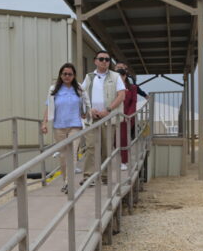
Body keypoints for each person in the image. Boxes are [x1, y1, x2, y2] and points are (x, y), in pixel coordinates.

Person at [40, 63, 89, 192]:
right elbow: (48, 107)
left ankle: (69, 183)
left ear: (74, 76)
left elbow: (85, 105)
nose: (67, 76)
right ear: (60, 75)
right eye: (64, 74)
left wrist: (85, 113)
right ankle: (65, 180)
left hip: (75, 126)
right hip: (59, 127)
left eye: (70, 74)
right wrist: (44, 123)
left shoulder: (79, 89)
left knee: (72, 154)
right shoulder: (53, 89)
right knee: (63, 156)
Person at [80, 51, 125, 182]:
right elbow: (81, 95)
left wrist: (108, 110)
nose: (104, 61)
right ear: (95, 61)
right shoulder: (89, 77)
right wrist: (89, 109)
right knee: (91, 147)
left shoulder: (116, 76)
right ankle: (88, 177)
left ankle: (105, 177)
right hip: (92, 118)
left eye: (107, 59)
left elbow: (121, 95)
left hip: (108, 118)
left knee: (106, 148)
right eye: (101, 59)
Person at [115, 62, 138, 168]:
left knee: (123, 138)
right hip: (114, 116)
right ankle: (116, 158)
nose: (120, 77)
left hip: (126, 117)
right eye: (118, 75)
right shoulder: (113, 87)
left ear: (125, 76)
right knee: (114, 139)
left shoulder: (132, 87)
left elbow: (133, 102)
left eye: (122, 75)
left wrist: (128, 116)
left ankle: (123, 161)